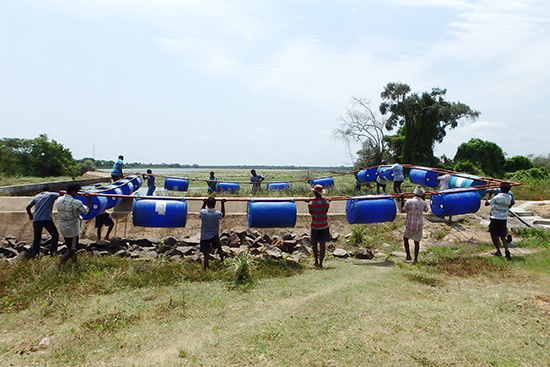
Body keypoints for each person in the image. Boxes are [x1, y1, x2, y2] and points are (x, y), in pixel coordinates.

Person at [57, 183, 91, 266]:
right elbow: (87, 212)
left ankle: (74, 262)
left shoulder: (59, 200)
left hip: (62, 226)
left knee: (69, 246)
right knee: (72, 249)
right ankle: (61, 263)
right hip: (72, 228)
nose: (77, 193)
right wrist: (89, 200)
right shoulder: (76, 203)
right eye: (77, 191)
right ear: (73, 191)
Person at [26, 185, 61, 258]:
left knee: (37, 237)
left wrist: (30, 215)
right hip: (46, 219)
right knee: (55, 235)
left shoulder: (37, 196)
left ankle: (34, 255)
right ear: (49, 189)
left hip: (36, 220)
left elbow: (28, 207)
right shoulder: (51, 195)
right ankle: (53, 253)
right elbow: (61, 193)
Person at [399, 186, 429, 264]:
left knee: (405, 239)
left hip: (409, 224)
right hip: (418, 225)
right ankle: (415, 259)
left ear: (414, 193)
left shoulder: (409, 201)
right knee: (417, 242)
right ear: (421, 195)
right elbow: (426, 210)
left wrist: (402, 199)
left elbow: (403, 210)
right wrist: (424, 199)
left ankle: (408, 256)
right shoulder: (423, 203)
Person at [485, 182, 513, 260]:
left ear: (500, 188)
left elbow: (487, 203)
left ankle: (498, 251)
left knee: (493, 234)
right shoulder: (509, 197)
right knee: (502, 236)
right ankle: (506, 250)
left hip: (495, 217)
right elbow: (510, 205)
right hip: (503, 218)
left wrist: (489, 195)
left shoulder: (497, 197)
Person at [199, 197, 226, 270]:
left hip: (204, 236)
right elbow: (222, 215)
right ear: (214, 204)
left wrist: (204, 203)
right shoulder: (216, 214)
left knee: (206, 253)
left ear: (207, 204)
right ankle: (222, 262)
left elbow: (201, 211)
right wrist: (222, 203)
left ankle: (206, 267)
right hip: (214, 235)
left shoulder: (203, 213)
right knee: (219, 249)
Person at [308, 184, 330, 269]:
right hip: (324, 226)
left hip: (315, 226)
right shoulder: (326, 203)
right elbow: (325, 211)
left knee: (314, 244)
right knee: (322, 245)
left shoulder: (311, 203)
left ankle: (316, 261)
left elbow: (311, 213)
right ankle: (321, 263)